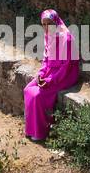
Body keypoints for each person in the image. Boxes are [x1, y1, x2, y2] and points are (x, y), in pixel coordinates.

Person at [24, 8, 80, 141]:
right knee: (28, 90)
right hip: (50, 72)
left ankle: (41, 132)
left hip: (65, 75)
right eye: (43, 24)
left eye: (49, 23)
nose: (46, 27)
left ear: (55, 22)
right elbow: (46, 59)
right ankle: (31, 129)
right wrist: (41, 73)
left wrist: (50, 80)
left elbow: (66, 67)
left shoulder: (66, 39)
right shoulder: (48, 36)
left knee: (38, 95)